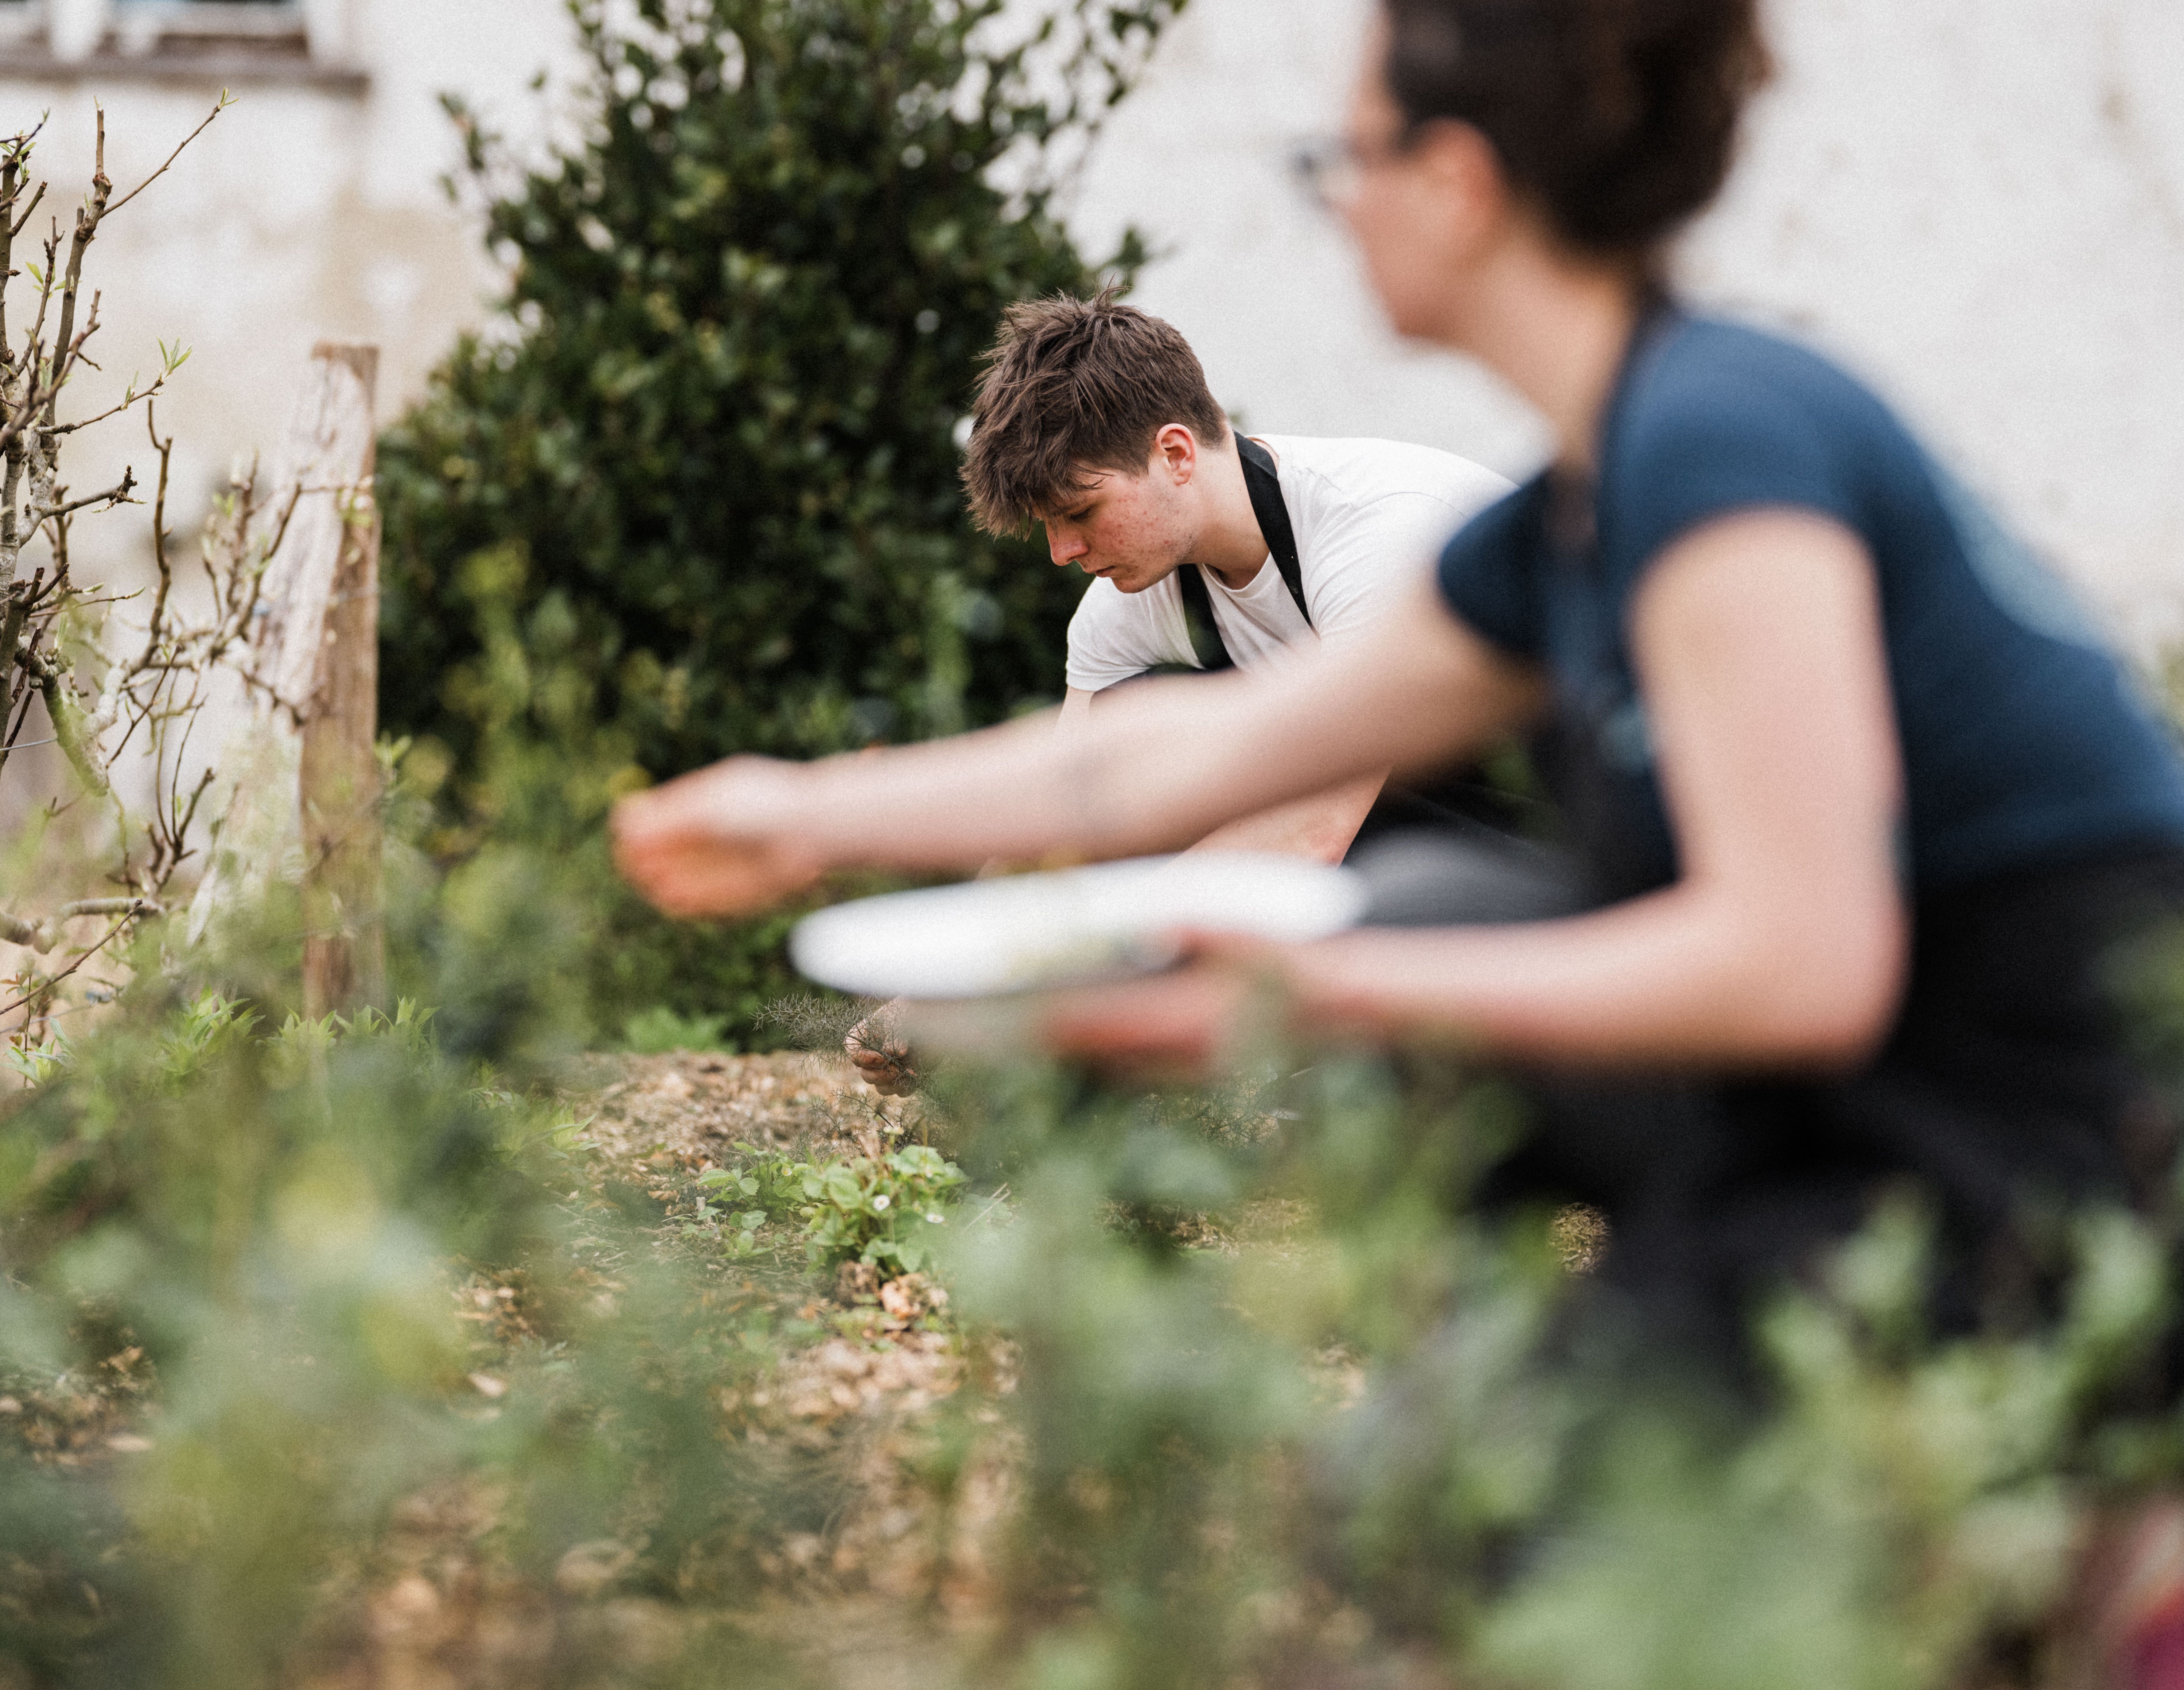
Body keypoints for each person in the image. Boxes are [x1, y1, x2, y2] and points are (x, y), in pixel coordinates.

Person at [616, 0, 2184, 1364]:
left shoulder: (1720, 439)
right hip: (1855, 1083)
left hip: (2042, 1113)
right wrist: (810, 812)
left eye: (1343, 159)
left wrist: (1293, 994)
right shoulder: (1567, 507)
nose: (1334, 202)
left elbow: (1800, 962)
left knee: (1430, 939)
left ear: (1461, 181)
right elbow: (1156, 770)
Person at [846, 292, 1512, 1093]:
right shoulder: (1124, 605)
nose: (1061, 552)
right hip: (1399, 836)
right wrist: (947, 986)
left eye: (1080, 511)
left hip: (1571, 831)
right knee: (1132, 740)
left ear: (1176, 454)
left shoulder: (1385, 533)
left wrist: (1066, 973)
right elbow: (1062, 813)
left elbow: (1314, 833)